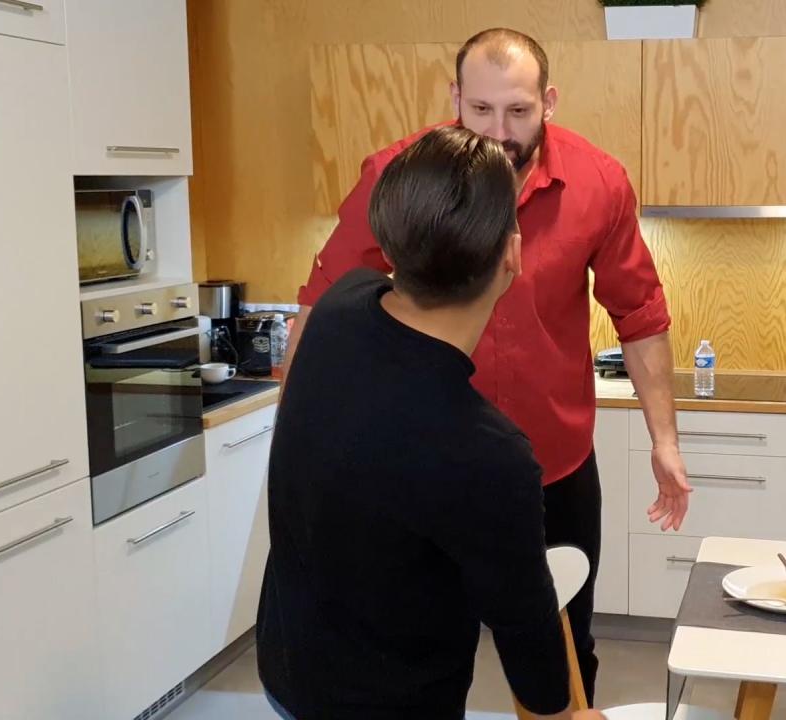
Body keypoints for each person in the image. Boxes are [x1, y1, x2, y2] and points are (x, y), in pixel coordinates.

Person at [285, 28, 690, 704]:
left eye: (519, 111)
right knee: (423, 647)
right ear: (455, 99)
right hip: (423, 464)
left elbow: (641, 313)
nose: (500, 133)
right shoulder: (398, 176)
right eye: (480, 110)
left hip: (554, 465)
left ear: (549, 102)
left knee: (561, 645)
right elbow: (322, 303)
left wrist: (665, 441)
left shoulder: (599, 182)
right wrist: (298, 437)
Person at [257, 127, 603, 720]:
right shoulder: (487, 453)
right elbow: (536, 669)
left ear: (393, 248)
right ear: (512, 255)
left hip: (288, 669)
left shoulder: (341, 308)